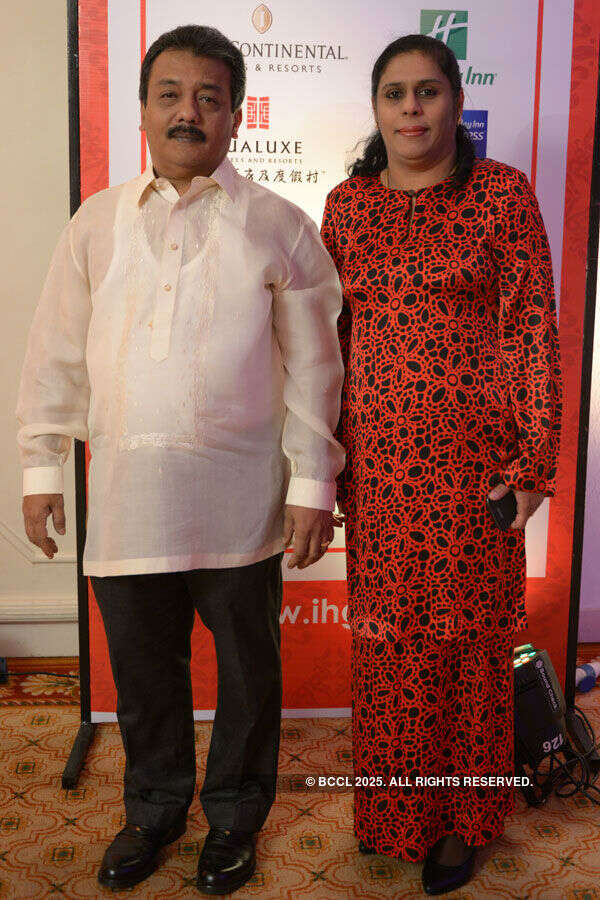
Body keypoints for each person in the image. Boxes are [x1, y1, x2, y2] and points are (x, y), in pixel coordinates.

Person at [17, 24, 345, 895]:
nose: (187, 112)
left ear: (237, 114)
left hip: (243, 500)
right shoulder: (96, 224)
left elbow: (316, 370)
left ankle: (234, 818)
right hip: (128, 500)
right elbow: (55, 355)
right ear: (142, 110)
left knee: (247, 676)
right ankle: (155, 809)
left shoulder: (278, 227)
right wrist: (41, 468)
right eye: (170, 94)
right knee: (143, 677)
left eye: (208, 97)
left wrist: (314, 482)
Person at [321, 33, 562, 896]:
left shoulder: (501, 195)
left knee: (470, 646)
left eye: (428, 91)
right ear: (376, 107)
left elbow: (531, 328)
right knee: (391, 647)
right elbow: (327, 343)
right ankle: (396, 814)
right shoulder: (347, 207)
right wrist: (322, 463)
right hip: (380, 472)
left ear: (457, 102)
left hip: (476, 473)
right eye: (395, 93)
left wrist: (534, 465)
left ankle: (465, 821)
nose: (412, 108)